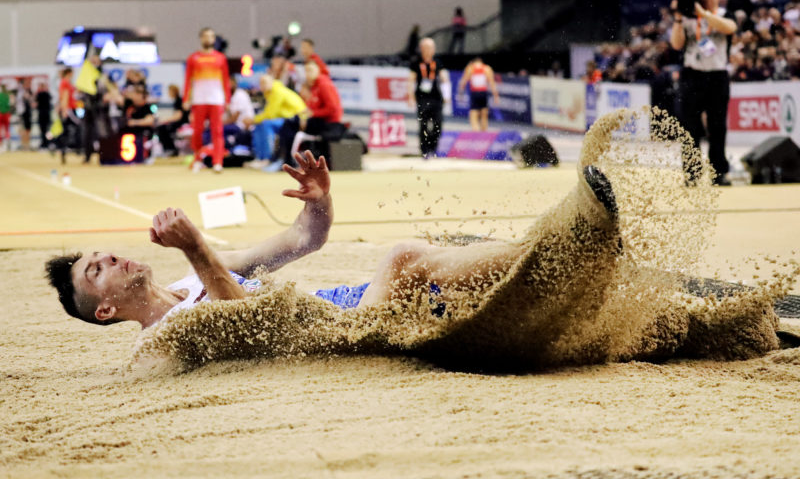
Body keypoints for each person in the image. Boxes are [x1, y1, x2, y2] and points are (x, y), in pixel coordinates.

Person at [44, 151, 620, 331]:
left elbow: (302, 241)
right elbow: (242, 320)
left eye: (100, 254)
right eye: (96, 270)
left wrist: (319, 202)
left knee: (440, 254)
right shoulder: (163, 338)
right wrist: (195, 245)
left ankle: (573, 262)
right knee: (404, 258)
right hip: (337, 337)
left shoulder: (187, 281)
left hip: (344, 304)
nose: (109, 257)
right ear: (106, 310)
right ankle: (565, 244)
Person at [669, 0, 737, 184]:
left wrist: (704, 14)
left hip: (717, 75)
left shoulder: (724, 14)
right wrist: (679, 17)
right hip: (692, 75)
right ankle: (692, 172)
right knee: (689, 125)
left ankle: (719, 172)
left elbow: (730, 28)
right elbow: (676, 44)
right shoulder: (687, 16)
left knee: (717, 125)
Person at [184, 27, 231, 173]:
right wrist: (186, 98)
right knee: (197, 131)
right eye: (205, 36)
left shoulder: (221, 58)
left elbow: (225, 80)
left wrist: (227, 100)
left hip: (216, 99)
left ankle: (218, 162)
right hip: (199, 99)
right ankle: (198, 160)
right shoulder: (193, 58)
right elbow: (188, 80)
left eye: (211, 36)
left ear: (214, 39)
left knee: (217, 131)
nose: (208, 39)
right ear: (201, 38)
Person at [245, 74, 307, 168]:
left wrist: (253, 120)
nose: (262, 85)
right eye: (261, 83)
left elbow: (271, 114)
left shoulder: (277, 91)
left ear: (271, 82)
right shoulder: (270, 92)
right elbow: (270, 113)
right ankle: (259, 157)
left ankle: (267, 158)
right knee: (259, 125)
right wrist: (255, 121)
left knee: (265, 124)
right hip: (285, 118)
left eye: (265, 83)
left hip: (295, 120)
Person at [408, 38, 449, 158]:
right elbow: (411, 80)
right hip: (422, 99)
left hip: (436, 98)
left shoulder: (438, 62)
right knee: (423, 125)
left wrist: (447, 95)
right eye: (426, 48)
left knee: (438, 124)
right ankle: (424, 150)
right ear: (422, 49)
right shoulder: (416, 63)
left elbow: (444, 79)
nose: (429, 50)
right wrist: (410, 97)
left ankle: (433, 148)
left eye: (431, 48)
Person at [457, 57, 500, 132]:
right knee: (484, 114)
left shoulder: (470, 68)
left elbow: (463, 82)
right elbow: (492, 83)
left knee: (473, 114)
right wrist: (496, 96)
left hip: (474, 93)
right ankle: (483, 132)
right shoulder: (487, 68)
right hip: (483, 93)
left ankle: (476, 132)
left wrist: (460, 94)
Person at [155, 84, 189, 157]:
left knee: (163, 129)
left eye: (169, 91)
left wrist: (165, 120)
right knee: (162, 128)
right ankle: (169, 149)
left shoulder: (179, 101)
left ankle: (170, 149)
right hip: (179, 122)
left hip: (182, 123)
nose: (168, 93)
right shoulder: (177, 100)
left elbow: (178, 116)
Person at [57, 68, 80, 165]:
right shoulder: (65, 82)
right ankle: (68, 149)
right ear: (69, 73)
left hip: (70, 108)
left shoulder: (67, 82)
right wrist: (64, 109)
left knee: (66, 130)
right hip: (69, 109)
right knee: (76, 127)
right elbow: (65, 96)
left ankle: (64, 150)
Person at [16, 78, 34, 151]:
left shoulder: (29, 91)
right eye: (26, 83)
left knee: (28, 129)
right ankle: (24, 144)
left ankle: (27, 144)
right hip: (22, 113)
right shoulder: (21, 92)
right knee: (22, 129)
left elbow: (32, 101)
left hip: (27, 113)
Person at [35, 83, 52, 150]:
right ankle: (47, 143)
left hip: (42, 114)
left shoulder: (39, 95)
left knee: (43, 130)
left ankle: (45, 143)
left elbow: (36, 103)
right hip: (46, 114)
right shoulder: (47, 94)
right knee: (47, 130)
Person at [0, 84, 11, 152]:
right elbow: (8, 106)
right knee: (6, 130)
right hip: (5, 114)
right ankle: (6, 144)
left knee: (3, 130)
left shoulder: (2, 95)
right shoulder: (7, 96)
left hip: (2, 114)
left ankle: (2, 145)